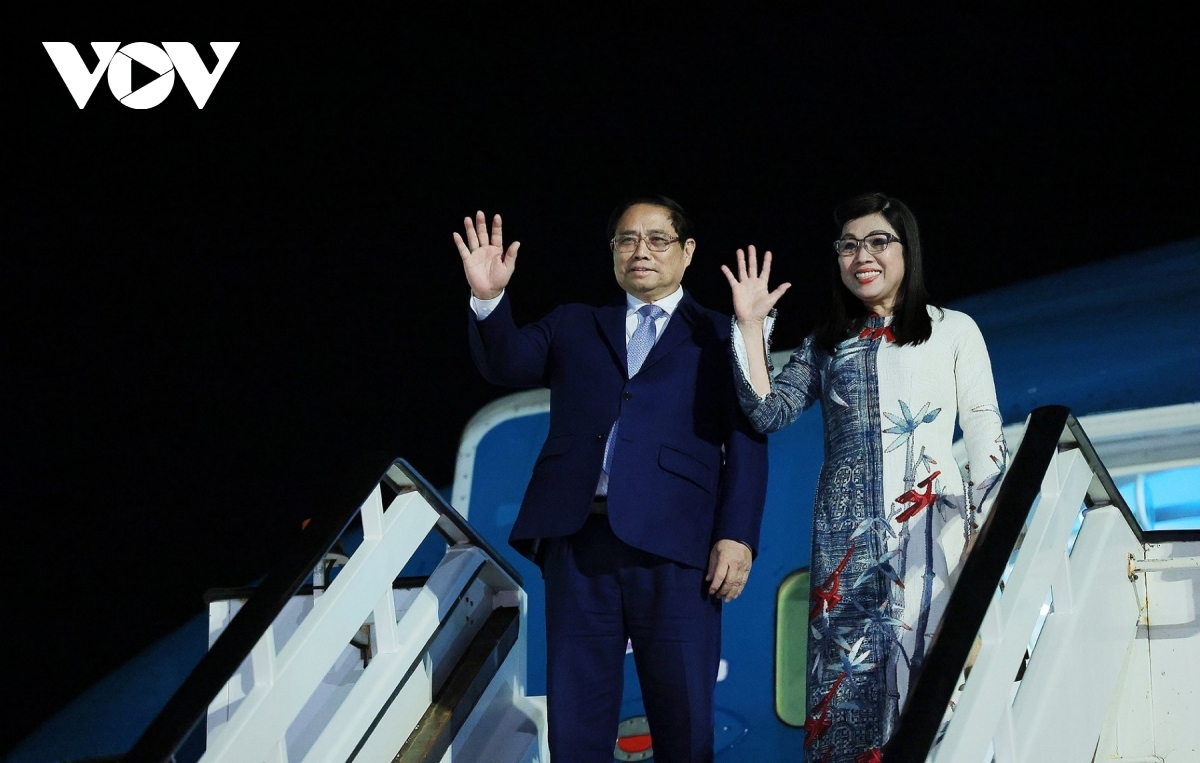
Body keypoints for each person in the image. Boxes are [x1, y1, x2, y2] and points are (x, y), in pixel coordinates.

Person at [457, 196, 768, 762]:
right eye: (627, 240)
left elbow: (748, 438)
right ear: (613, 253)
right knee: (576, 720)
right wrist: (489, 299)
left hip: (678, 549)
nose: (640, 250)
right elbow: (508, 363)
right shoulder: (576, 323)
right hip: (579, 541)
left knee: (685, 720)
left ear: (687, 250)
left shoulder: (722, 334)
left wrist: (738, 534)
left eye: (656, 239)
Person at [721, 192, 1007, 762]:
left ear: (907, 250)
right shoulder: (827, 344)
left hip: (932, 537)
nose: (862, 257)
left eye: (878, 242)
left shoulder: (952, 330)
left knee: (936, 691)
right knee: (846, 692)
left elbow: (983, 433)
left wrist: (987, 528)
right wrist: (751, 327)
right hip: (843, 547)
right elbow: (767, 412)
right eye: (848, 246)